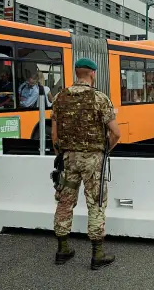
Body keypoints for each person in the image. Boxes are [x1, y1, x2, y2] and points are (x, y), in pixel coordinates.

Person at [51, 58, 121, 270]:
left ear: (76, 73)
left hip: (68, 159)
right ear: (92, 74)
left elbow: (54, 136)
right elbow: (116, 133)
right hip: (93, 160)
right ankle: (97, 254)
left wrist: (62, 153)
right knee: (95, 203)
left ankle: (62, 249)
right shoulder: (99, 98)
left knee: (64, 202)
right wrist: (103, 149)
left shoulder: (59, 97)